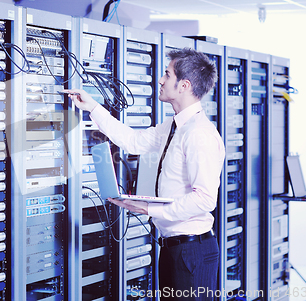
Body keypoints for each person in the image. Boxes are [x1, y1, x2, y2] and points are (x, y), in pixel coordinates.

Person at [64, 48, 225, 300]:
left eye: (166, 74)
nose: (160, 80)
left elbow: (205, 199)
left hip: (192, 251)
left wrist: (148, 209)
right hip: (173, 248)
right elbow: (133, 141)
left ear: (183, 85)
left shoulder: (199, 134)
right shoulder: (173, 127)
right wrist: (93, 108)